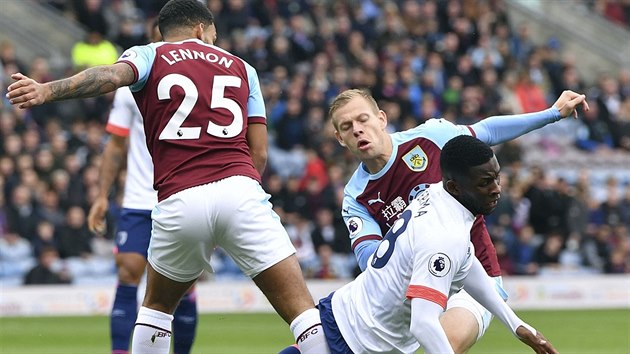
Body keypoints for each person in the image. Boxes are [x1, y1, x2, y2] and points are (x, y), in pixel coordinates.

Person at [6, 1, 329, 354]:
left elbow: (110, 77)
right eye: (213, 35)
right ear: (200, 30)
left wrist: (46, 90)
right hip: (240, 191)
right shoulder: (243, 68)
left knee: (157, 311)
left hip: (179, 198)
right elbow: (261, 153)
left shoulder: (148, 55)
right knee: (302, 313)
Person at [330, 88, 588, 353]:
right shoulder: (355, 198)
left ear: (381, 118)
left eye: (363, 119)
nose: (358, 130)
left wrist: (552, 114)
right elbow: (372, 262)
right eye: (347, 127)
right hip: (421, 286)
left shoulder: (430, 138)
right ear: (339, 138)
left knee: (447, 346)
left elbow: (487, 132)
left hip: (475, 277)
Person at [280, 135, 558, 354]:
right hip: (355, 340)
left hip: (348, 321)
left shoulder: (438, 196)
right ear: (455, 186)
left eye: (496, 177)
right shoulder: (443, 235)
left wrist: (517, 325)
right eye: (485, 182)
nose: (496, 188)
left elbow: (467, 262)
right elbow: (424, 324)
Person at [85, 21, 198, 354]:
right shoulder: (131, 85)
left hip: (183, 195)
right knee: (129, 269)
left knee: (183, 283)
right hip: (138, 196)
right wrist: (102, 197)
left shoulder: (200, 80)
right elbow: (116, 144)